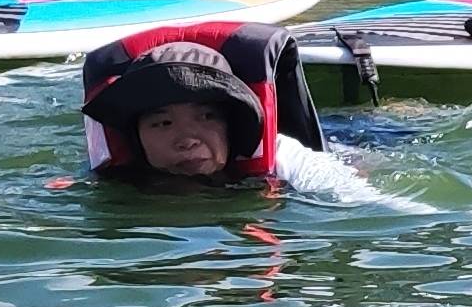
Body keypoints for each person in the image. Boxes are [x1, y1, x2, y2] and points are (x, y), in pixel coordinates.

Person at [79, 23, 410, 206]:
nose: (187, 139)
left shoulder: (285, 156)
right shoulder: (117, 171)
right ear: (136, 135)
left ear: (232, 122)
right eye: (163, 123)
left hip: (355, 140)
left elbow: (371, 200)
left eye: (206, 117)